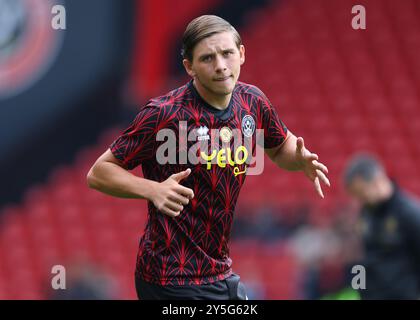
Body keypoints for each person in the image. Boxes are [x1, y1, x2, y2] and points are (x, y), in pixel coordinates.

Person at [87, 15, 330, 300]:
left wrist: (298, 160)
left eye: (227, 53)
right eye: (207, 58)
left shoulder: (253, 102)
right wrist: (153, 189)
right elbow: (99, 172)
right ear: (189, 67)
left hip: (218, 271)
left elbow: (280, 148)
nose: (220, 66)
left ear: (241, 54)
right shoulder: (163, 114)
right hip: (169, 276)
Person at [344, 153, 420, 299]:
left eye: (361, 193)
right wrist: (360, 290)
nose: (360, 199)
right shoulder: (366, 214)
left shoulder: (410, 214)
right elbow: (363, 258)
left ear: (377, 181)